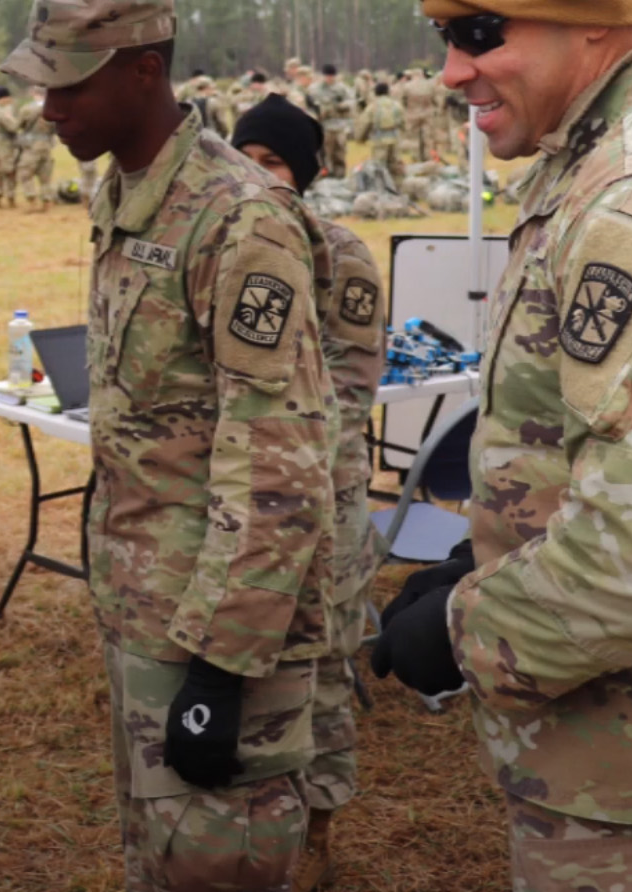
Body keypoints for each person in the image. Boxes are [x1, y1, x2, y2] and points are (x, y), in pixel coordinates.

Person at [370, 0, 632, 891]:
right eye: (444, 37)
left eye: (479, 33)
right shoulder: (604, 155)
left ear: (589, 17)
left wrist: (463, 632)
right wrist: (491, 555)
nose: (452, 71)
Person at [5, 0, 336, 892]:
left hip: (220, 621)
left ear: (143, 70)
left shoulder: (241, 221)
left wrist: (223, 666)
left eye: (68, 82)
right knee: (164, 854)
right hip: (147, 598)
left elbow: (279, 459)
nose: (47, 109)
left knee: (217, 859)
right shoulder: (127, 191)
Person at [231, 94, 384, 892]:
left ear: (310, 174)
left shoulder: (341, 255)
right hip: (248, 509)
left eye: (274, 165)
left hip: (324, 501)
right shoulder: (227, 249)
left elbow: (350, 395)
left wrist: (285, 478)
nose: (257, 180)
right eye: (244, 161)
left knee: (323, 670)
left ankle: (320, 826)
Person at [306, 65, 356, 181]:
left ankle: (340, 174)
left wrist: (340, 106)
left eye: (331, 76)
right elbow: (309, 104)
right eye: (327, 76)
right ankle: (325, 173)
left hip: (339, 124)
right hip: (323, 124)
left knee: (340, 150)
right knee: (325, 151)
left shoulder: (341, 88)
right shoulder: (315, 89)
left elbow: (351, 102)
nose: (329, 78)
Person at [354, 82, 405, 178]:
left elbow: (364, 124)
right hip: (395, 139)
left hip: (380, 140)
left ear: (376, 93)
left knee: (379, 167)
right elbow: (403, 123)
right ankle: (398, 188)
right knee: (395, 166)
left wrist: (360, 138)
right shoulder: (396, 105)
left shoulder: (373, 106)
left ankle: (382, 189)